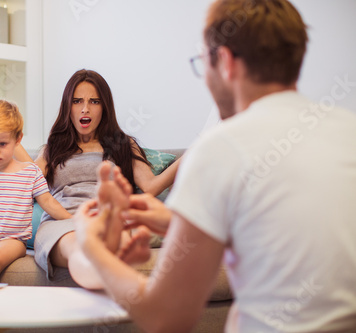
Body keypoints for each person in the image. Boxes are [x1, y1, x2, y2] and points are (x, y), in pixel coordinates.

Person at [73, 0, 356, 332]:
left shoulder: (221, 147)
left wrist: (90, 244)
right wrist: (177, 224)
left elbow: (166, 317)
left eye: (201, 63)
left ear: (224, 62)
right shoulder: (346, 130)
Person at [0, 71, 181, 290]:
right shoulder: (53, 147)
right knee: (80, 249)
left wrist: (197, 152)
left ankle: (111, 271)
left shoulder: (123, 145)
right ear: (68, 106)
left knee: (112, 240)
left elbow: (151, 186)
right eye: (77, 101)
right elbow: (27, 173)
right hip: (62, 222)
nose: (85, 108)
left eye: (94, 101)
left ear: (104, 107)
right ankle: (106, 276)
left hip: (107, 217)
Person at [0, 98, 72, 283]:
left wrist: (71, 220)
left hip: (13, 240)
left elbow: (48, 202)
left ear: (17, 139)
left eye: (2, 144)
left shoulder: (30, 172)